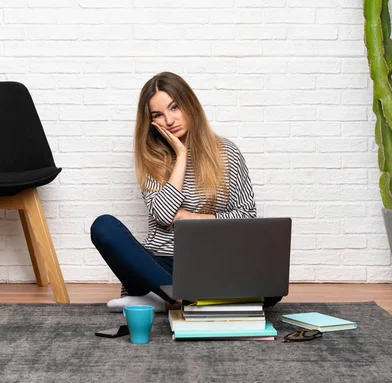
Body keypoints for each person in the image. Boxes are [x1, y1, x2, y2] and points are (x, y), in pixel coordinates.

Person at [90, 72, 280, 312]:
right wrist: (181, 156)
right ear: (151, 122)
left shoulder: (227, 153)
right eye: (158, 115)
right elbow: (163, 216)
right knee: (104, 227)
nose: (169, 120)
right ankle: (186, 297)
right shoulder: (150, 157)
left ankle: (163, 299)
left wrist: (194, 219)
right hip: (159, 265)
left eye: (174, 107)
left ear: (189, 105)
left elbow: (247, 215)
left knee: (272, 290)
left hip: (212, 263)